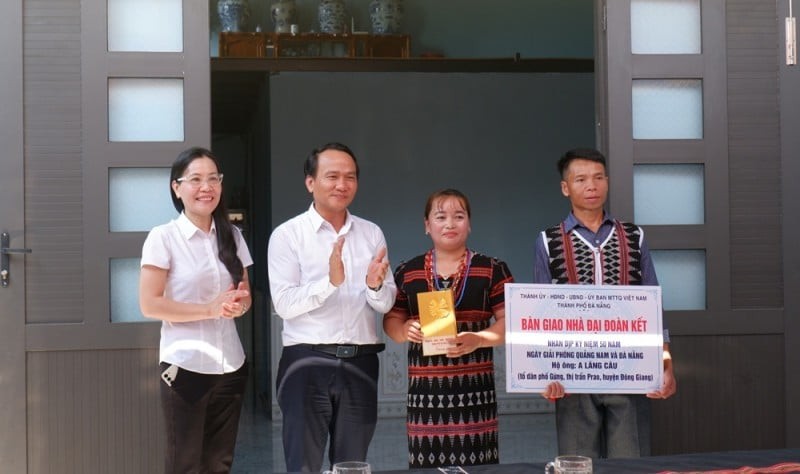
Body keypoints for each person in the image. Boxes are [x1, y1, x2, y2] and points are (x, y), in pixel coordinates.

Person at [533, 148, 677, 459]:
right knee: (577, 462)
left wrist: (665, 363)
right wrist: (547, 371)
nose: (591, 185)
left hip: (628, 368)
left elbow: (652, 305)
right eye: (581, 179)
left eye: (598, 177)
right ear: (565, 187)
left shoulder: (633, 236)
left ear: (607, 182)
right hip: (572, 371)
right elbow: (540, 311)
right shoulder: (548, 241)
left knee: (631, 459)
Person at [267, 142, 397, 473]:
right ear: (310, 182)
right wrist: (331, 282)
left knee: (352, 465)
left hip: (361, 362)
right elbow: (283, 304)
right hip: (306, 361)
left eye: (350, 177)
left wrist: (373, 285)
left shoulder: (371, 233)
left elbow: (385, 301)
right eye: (332, 176)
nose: (342, 185)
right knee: (304, 465)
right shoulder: (288, 235)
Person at [139, 146, 253, 473]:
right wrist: (210, 309)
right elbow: (150, 304)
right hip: (184, 367)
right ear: (177, 187)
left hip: (231, 364)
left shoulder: (232, 235)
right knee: (184, 463)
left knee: (219, 463)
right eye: (196, 179)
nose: (207, 187)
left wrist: (237, 306)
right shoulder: (163, 238)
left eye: (213, 179)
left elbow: (244, 296)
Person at [383, 188, 514, 469]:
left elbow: (510, 323)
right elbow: (391, 322)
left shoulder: (493, 269)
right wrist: (405, 329)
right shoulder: (408, 271)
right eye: (441, 217)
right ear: (427, 226)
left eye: (459, 216)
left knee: (479, 467)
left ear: (470, 223)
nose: (450, 224)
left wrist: (478, 339)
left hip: (475, 397)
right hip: (425, 399)